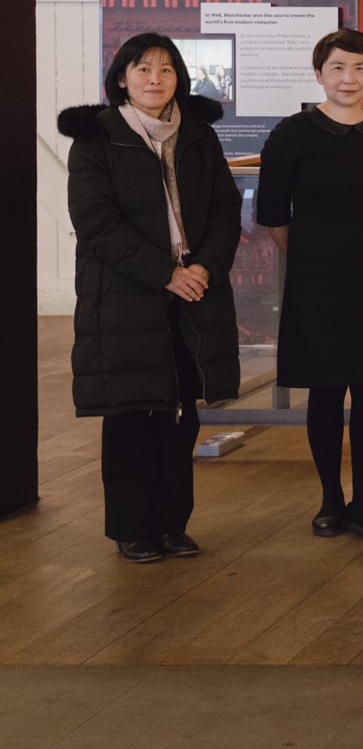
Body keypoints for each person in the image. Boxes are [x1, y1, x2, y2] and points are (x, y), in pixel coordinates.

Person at [60, 34, 242, 563]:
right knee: (130, 414)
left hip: (195, 291)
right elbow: (95, 224)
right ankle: (130, 528)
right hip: (125, 296)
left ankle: (171, 523)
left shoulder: (198, 135)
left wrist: (204, 265)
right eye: (143, 69)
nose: (155, 79)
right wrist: (166, 273)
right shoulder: (96, 139)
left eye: (166, 69)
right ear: (122, 77)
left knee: (181, 414)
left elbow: (226, 208)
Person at [257, 28, 363, 541]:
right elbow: (273, 215)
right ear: (319, 73)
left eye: (359, 68)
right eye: (337, 68)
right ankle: (330, 499)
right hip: (318, 282)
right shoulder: (291, 134)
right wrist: (313, 258)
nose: (348, 79)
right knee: (325, 392)